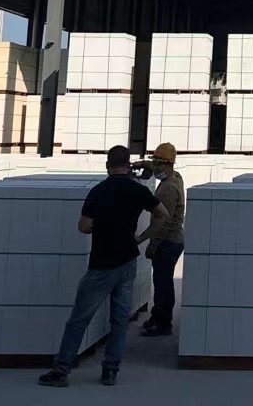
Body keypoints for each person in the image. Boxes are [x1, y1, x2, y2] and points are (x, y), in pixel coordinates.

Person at [38, 145, 166, 388]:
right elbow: (162, 213)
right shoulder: (138, 190)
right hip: (127, 262)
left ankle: (61, 370)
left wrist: (103, 225)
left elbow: (84, 226)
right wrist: (142, 237)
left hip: (102, 265)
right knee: (119, 320)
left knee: (79, 319)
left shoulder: (98, 191)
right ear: (128, 165)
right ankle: (110, 371)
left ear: (107, 165)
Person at [139, 142, 187, 337]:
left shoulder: (167, 188)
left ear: (168, 165)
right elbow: (156, 167)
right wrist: (143, 164)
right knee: (161, 281)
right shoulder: (176, 177)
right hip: (175, 240)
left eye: (159, 164)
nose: (156, 167)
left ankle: (163, 322)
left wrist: (149, 242)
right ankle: (157, 315)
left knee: (162, 284)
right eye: (155, 163)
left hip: (167, 241)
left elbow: (163, 222)